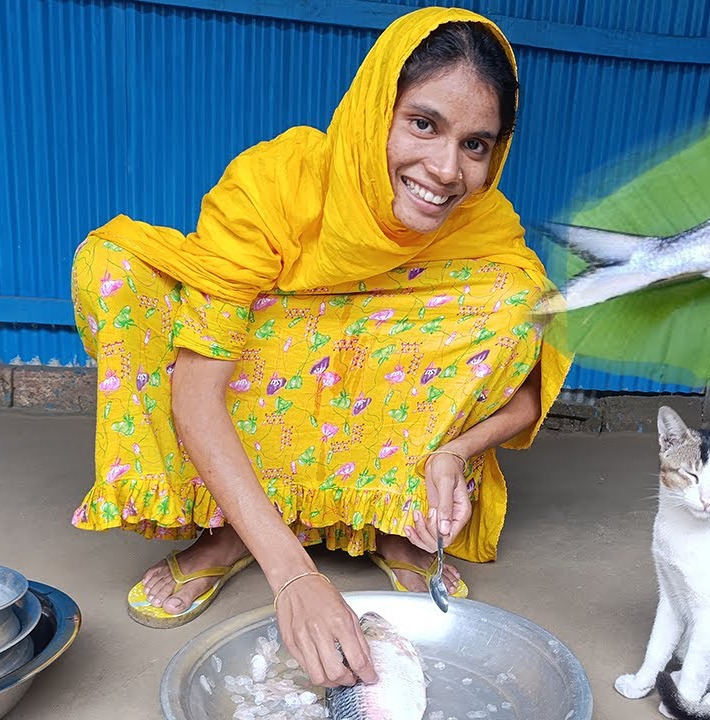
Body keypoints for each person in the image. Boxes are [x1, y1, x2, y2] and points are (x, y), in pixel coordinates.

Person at [68, 6, 571, 687]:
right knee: (118, 270)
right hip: (269, 357)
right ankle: (233, 529)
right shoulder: (274, 184)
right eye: (423, 124)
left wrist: (455, 451)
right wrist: (294, 578)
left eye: (475, 144)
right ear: (375, 112)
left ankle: (393, 517)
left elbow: (529, 382)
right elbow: (196, 390)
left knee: (524, 301)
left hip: (360, 367)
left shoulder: (484, 223)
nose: (445, 169)